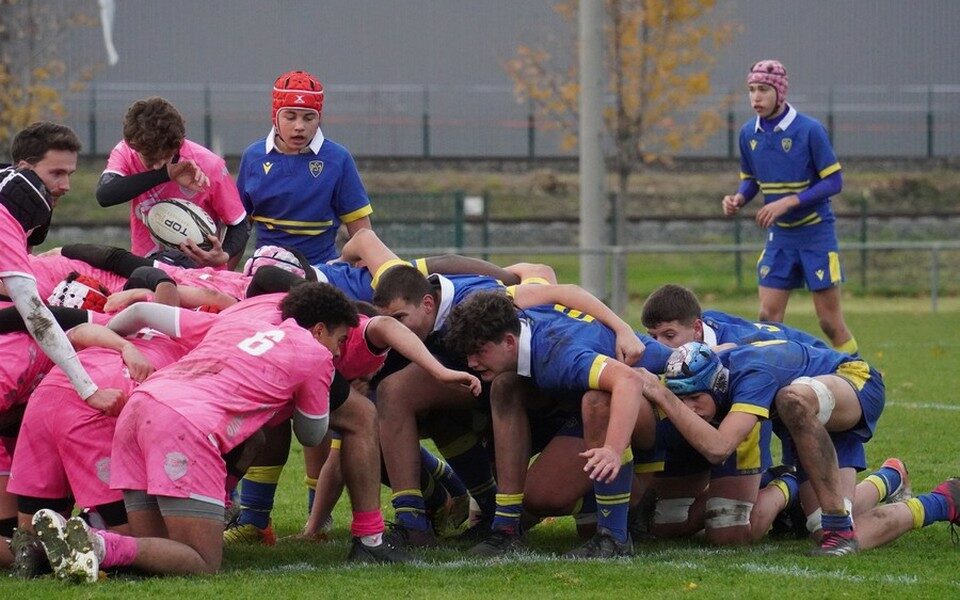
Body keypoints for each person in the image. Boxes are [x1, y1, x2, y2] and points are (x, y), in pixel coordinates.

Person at [31, 283, 359, 580]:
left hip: (140, 405)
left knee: (155, 551)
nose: (340, 352)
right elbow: (312, 435)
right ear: (318, 330)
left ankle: (86, 541)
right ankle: (94, 541)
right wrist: (308, 391)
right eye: (341, 340)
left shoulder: (238, 320)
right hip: (184, 423)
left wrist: (116, 349)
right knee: (202, 561)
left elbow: (141, 312)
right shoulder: (315, 354)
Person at [443, 291, 673, 558]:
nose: (471, 363)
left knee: (596, 405)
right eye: (468, 353)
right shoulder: (510, 312)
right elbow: (561, 289)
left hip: (661, 411)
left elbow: (628, 382)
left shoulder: (558, 353)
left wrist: (612, 448)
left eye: (479, 351)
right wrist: (621, 327)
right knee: (504, 386)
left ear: (508, 341)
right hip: (598, 401)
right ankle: (505, 527)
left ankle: (615, 535)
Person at [638, 340, 884, 556]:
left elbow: (718, 448)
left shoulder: (752, 376)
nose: (689, 407)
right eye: (682, 399)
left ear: (718, 384)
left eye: (695, 398)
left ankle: (906, 508)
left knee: (791, 399)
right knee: (812, 529)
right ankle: (889, 478)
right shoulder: (711, 371)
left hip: (852, 379)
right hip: (798, 419)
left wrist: (664, 396)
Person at [721, 60, 858, 356]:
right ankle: (773, 379)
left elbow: (834, 181)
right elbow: (751, 181)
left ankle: (860, 374)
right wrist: (738, 199)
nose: (756, 97)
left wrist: (790, 201)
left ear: (780, 93)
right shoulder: (748, 134)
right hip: (780, 236)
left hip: (816, 233)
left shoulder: (809, 130)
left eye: (763, 90)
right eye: (751, 90)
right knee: (768, 319)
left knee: (829, 322)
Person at [0, 122, 124, 418]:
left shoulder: (13, 186)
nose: (66, 185)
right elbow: (35, 316)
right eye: (56, 173)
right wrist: (89, 390)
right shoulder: (8, 212)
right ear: (25, 168)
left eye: (69, 174)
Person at [237, 70, 372, 264]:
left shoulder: (338, 159)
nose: (299, 126)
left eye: (308, 118)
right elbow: (239, 228)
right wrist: (221, 274)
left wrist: (365, 276)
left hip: (322, 271)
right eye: (290, 117)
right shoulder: (253, 158)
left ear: (319, 119)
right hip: (267, 269)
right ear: (275, 117)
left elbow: (362, 233)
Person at [97, 97, 249, 269]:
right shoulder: (126, 152)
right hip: (149, 268)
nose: (157, 165)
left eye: (165, 157)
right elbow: (105, 195)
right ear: (132, 144)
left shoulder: (208, 165)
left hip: (201, 275)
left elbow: (239, 223)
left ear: (179, 143)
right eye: (150, 159)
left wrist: (223, 255)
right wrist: (166, 174)